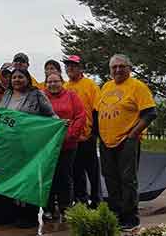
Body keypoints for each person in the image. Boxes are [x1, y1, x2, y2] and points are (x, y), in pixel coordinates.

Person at [95, 54, 157, 231]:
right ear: (110, 70)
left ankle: (131, 217)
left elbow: (150, 113)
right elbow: (98, 111)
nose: (117, 70)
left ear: (129, 68)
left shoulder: (137, 86)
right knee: (110, 178)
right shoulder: (106, 86)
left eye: (121, 66)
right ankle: (115, 213)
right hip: (106, 141)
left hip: (127, 140)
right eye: (114, 67)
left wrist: (132, 135)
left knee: (127, 180)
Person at [0, 68, 56, 228]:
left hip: (29, 146)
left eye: (20, 77)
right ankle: (8, 214)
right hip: (8, 146)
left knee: (27, 180)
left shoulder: (36, 94)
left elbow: (51, 116)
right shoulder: (7, 95)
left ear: (27, 79)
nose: (17, 80)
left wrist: (59, 125)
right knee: (8, 178)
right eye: (14, 77)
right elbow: (1, 116)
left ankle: (29, 216)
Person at [43, 72, 85, 215]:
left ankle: (65, 207)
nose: (52, 84)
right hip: (47, 146)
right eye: (49, 82)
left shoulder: (71, 96)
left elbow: (80, 116)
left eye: (56, 81)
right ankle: (48, 208)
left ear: (62, 82)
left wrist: (69, 135)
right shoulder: (42, 97)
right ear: (45, 83)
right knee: (48, 176)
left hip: (67, 145)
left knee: (65, 176)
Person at [63, 55, 101, 208]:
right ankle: (81, 200)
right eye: (68, 65)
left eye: (74, 65)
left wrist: (94, 133)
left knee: (92, 170)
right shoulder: (65, 87)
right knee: (77, 171)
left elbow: (97, 110)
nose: (70, 68)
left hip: (87, 136)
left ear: (81, 68)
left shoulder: (90, 85)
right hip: (72, 137)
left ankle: (97, 200)